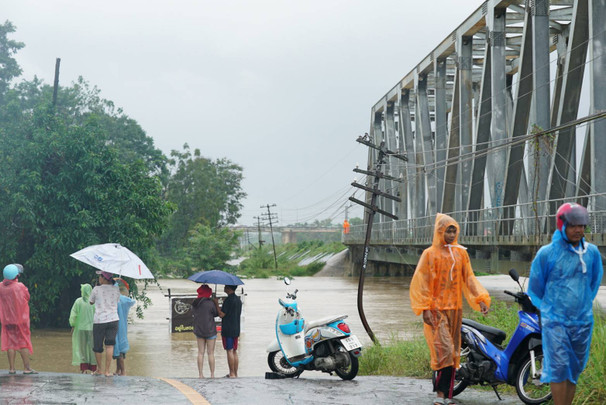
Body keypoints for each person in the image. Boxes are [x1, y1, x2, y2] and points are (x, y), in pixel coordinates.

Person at [409, 214, 490, 405]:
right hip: (437, 310)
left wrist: (481, 299)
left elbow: (469, 278)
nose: (452, 234)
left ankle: (448, 396)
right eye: (448, 230)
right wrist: (425, 308)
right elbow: (422, 282)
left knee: (453, 352)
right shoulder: (430, 254)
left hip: (455, 309)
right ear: (440, 231)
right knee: (444, 350)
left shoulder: (461, 253)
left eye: (454, 230)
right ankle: (440, 395)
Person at [528, 203, 603, 405]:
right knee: (559, 368)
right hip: (556, 322)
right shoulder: (547, 254)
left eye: (581, 225)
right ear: (562, 225)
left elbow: (594, 282)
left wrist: (582, 305)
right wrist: (551, 310)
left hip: (582, 322)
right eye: (573, 226)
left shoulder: (592, 253)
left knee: (574, 368)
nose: (578, 230)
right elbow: (535, 288)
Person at [0, 264, 36, 375]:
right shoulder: (19, 286)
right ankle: (27, 368)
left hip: (7, 319)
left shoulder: (1, 286)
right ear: (16, 275)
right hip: (20, 319)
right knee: (23, 342)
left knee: (10, 343)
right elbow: (27, 297)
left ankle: (11, 368)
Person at [89, 270, 120, 376]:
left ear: (103, 278)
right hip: (113, 319)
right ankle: (107, 371)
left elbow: (91, 302)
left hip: (99, 320)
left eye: (99, 277)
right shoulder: (116, 289)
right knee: (110, 346)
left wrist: (97, 288)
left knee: (97, 346)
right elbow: (117, 301)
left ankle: (99, 370)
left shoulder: (96, 289)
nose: (99, 278)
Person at [69, 283, 97, 374]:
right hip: (92, 329)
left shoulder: (78, 301)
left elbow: (73, 315)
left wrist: (73, 325)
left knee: (82, 348)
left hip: (81, 329)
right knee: (93, 348)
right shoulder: (94, 302)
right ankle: (93, 369)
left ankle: (84, 369)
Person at [215, 284, 242, 378]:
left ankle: (231, 373)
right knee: (234, 351)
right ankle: (235, 373)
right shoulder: (238, 300)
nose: (224, 287)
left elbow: (221, 314)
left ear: (229, 288)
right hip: (236, 328)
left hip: (228, 329)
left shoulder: (228, 300)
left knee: (229, 350)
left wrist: (216, 304)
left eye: (226, 286)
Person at [192, 284, 218, 378]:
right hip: (210, 330)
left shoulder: (195, 303)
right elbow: (215, 314)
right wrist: (215, 302)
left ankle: (200, 374)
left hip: (199, 331)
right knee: (210, 353)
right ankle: (212, 375)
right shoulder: (210, 303)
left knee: (200, 352)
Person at [112, 278, 135, 376]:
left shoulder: (113, 300)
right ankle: (118, 370)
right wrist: (126, 292)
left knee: (118, 350)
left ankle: (123, 371)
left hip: (115, 326)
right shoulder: (124, 300)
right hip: (123, 328)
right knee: (120, 350)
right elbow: (131, 301)